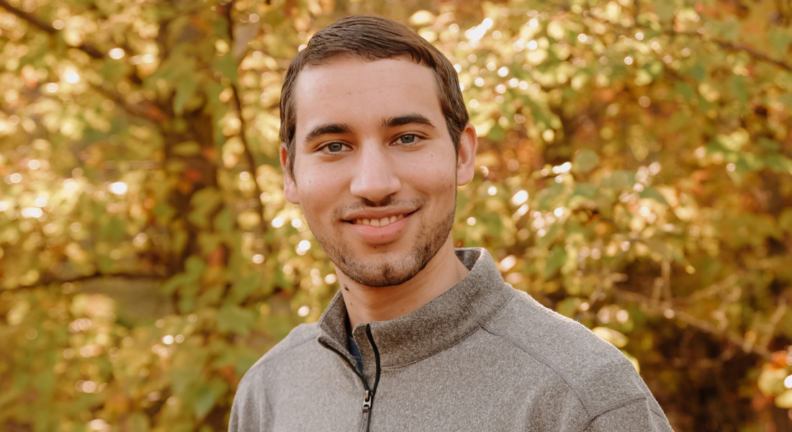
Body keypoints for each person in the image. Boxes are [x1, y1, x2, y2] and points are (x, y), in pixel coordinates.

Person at [229, 15, 673, 432]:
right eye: (333, 146)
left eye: (407, 138)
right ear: (290, 173)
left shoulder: (584, 398)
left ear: (462, 155)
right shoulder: (268, 392)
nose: (374, 184)